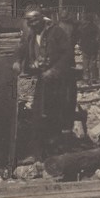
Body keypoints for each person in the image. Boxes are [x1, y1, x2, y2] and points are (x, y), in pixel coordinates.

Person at [13, 10, 73, 163]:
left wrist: (54, 71)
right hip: (42, 79)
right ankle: (40, 152)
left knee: (56, 114)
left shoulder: (56, 32)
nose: (31, 25)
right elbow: (22, 48)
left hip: (59, 81)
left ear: (40, 20)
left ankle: (58, 150)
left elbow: (67, 54)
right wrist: (18, 61)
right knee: (39, 114)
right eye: (29, 23)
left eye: (33, 22)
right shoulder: (31, 34)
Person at [78, 12, 98, 84]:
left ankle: (86, 77)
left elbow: (80, 37)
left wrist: (80, 45)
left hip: (85, 47)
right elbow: (97, 37)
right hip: (93, 47)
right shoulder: (95, 27)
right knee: (93, 62)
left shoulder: (83, 27)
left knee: (85, 62)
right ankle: (93, 77)